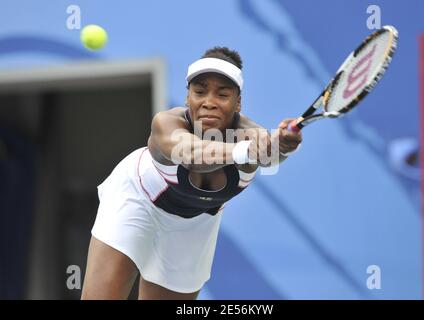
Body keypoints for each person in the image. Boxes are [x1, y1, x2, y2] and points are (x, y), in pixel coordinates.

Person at [81, 47, 302, 300]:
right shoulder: (165, 124)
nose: (209, 102)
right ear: (187, 97)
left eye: (222, 94)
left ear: (238, 102)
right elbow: (192, 155)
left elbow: (270, 153)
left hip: (195, 223)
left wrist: (283, 146)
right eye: (199, 92)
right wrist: (248, 150)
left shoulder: (251, 134)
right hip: (135, 199)